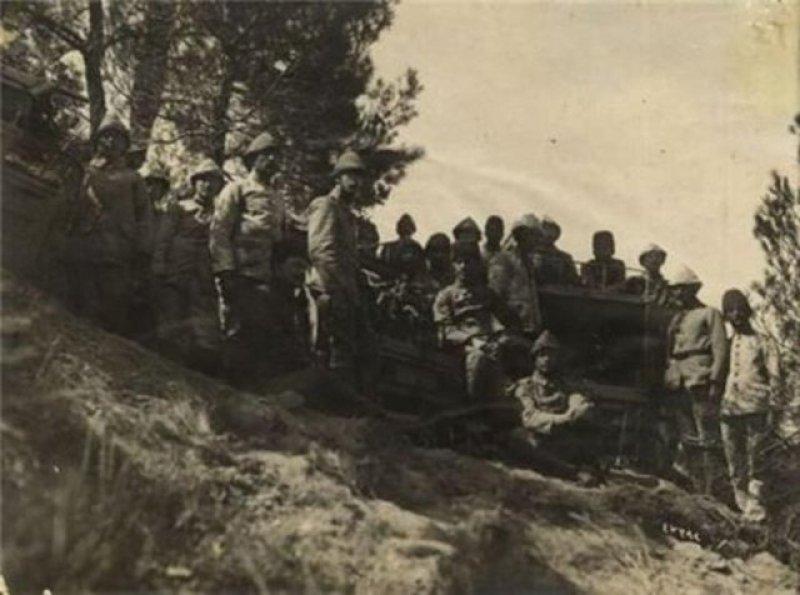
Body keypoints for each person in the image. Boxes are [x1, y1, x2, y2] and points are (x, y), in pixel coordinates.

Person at [64, 113, 152, 335]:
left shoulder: (133, 178)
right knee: (76, 291)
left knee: (111, 299)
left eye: (117, 138)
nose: (111, 141)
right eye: (106, 136)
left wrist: (143, 248)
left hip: (116, 247)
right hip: (83, 238)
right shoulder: (85, 170)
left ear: (124, 146)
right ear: (98, 140)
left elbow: (145, 216)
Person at [210, 131, 286, 383]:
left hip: (264, 277)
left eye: (275, 156)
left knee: (260, 334)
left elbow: (279, 238)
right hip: (239, 274)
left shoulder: (277, 198)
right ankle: (228, 388)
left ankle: (252, 390)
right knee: (236, 332)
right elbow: (220, 231)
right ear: (253, 159)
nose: (272, 160)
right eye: (266, 155)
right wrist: (225, 271)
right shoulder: (237, 189)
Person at [307, 149, 374, 388]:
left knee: (349, 349)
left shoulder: (347, 214)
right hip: (328, 289)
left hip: (345, 290)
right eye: (350, 175)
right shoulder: (325, 205)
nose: (355, 182)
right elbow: (320, 251)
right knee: (331, 349)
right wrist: (341, 289)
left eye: (359, 177)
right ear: (338, 178)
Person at [152, 158, 226, 374]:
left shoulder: (221, 214)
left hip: (203, 277)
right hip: (175, 272)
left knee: (202, 327)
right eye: (203, 180)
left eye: (212, 181)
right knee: (171, 320)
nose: (207, 185)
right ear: (194, 183)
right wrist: (159, 264)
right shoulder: (179, 208)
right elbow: (163, 239)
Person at [664, 266, 727, 493]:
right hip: (679, 380)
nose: (676, 293)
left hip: (701, 378)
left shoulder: (709, 313)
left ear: (692, 289)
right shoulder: (677, 318)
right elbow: (670, 351)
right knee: (688, 438)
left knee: (708, 437)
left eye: (681, 289)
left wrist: (716, 381)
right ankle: (698, 488)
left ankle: (714, 489)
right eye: (674, 289)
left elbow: (720, 349)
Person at [506, 330, 599, 484]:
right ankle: (572, 473)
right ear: (535, 358)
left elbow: (577, 398)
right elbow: (530, 418)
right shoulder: (525, 386)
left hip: (559, 438)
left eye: (552, 355)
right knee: (518, 439)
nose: (547, 359)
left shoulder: (564, 385)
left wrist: (578, 406)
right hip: (535, 438)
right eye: (542, 355)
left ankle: (586, 468)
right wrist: (563, 418)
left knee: (582, 438)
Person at [433, 241, 520, 401]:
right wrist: (473, 341)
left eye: (469, 261)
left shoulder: (487, 293)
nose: (464, 266)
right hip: (462, 345)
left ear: (477, 265)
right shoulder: (446, 295)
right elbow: (445, 329)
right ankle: (473, 405)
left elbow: (510, 320)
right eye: (459, 262)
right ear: (453, 265)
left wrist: (501, 339)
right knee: (478, 358)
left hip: (489, 341)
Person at [720, 289, 780, 521]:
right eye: (730, 311)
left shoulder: (763, 342)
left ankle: (756, 509)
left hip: (756, 405)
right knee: (733, 458)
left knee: (756, 458)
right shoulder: (727, 343)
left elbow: (775, 377)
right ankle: (741, 506)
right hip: (729, 407)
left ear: (747, 312)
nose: (736, 315)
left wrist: (773, 407)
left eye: (739, 310)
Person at [487, 218, 543, 337]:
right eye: (534, 236)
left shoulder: (530, 263)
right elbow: (494, 294)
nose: (537, 241)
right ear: (521, 235)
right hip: (509, 328)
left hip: (529, 328)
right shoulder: (503, 259)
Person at [533, 216, 579, 286]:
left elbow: (574, 282)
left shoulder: (565, 258)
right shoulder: (528, 255)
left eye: (550, 235)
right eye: (543, 233)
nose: (547, 236)